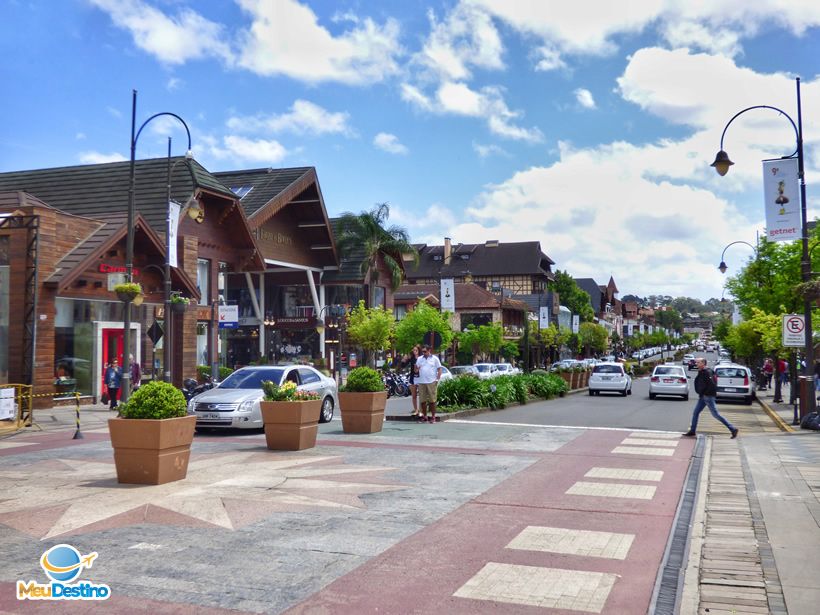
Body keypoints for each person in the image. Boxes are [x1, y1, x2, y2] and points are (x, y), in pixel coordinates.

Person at [683, 358, 737, 439]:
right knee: (696, 412)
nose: (696, 364)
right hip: (703, 396)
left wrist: (706, 393)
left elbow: (712, 384)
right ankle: (692, 431)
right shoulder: (702, 371)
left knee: (715, 414)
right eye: (696, 362)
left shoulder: (707, 372)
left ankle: (732, 429)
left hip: (708, 396)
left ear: (703, 363)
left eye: (698, 362)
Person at [414, 345, 442, 423]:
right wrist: (416, 368)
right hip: (422, 381)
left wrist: (437, 379)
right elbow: (415, 370)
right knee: (422, 400)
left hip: (431, 381)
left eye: (425, 351)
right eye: (422, 351)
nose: (424, 353)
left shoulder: (435, 359)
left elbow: (439, 369)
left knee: (432, 400)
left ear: (429, 350)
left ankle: (433, 417)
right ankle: (424, 416)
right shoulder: (420, 359)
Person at [407, 345, 420, 417]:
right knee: (414, 395)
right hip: (413, 377)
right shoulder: (411, 358)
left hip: (421, 377)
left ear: (419, 351)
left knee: (422, 395)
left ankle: (421, 410)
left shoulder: (421, 358)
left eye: (416, 350)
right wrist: (404, 360)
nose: (414, 351)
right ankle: (416, 410)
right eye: (413, 350)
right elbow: (403, 365)